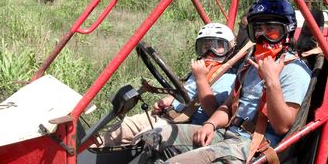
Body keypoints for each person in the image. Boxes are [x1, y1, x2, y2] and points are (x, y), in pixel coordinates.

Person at [80, 0, 312, 164]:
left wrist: (272, 81)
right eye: (257, 30)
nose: (262, 37)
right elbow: (227, 108)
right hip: (228, 135)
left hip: (255, 150)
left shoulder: (294, 71)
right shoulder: (250, 66)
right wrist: (211, 124)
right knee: (156, 137)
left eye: (271, 30)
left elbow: (284, 126)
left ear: (287, 32)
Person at [92, 23, 238, 148]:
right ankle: (90, 152)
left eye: (217, 47)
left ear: (230, 49)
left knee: (143, 139)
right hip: (169, 115)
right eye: (204, 47)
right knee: (124, 126)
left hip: (187, 124)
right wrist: (169, 99)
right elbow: (185, 90)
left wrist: (200, 78)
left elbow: (213, 110)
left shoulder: (229, 77)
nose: (209, 53)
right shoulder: (196, 71)